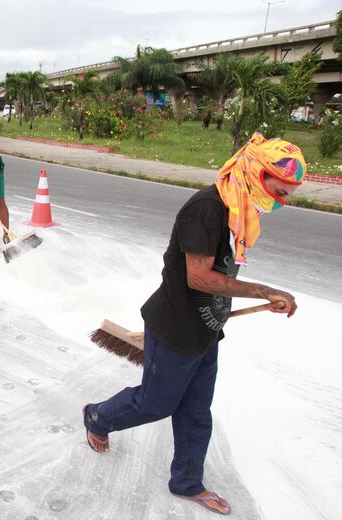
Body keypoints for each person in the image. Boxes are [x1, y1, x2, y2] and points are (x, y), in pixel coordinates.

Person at [83, 134, 306, 516]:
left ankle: (187, 482)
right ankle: (96, 416)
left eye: (288, 195)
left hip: (206, 330)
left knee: (197, 412)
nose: (282, 202)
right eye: (280, 192)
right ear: (256, 173)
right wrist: (265, 290)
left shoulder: (240, 208)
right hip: (174, 329)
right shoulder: (206, 209)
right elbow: (199, 278)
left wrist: (253, 300)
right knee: (155, 403)